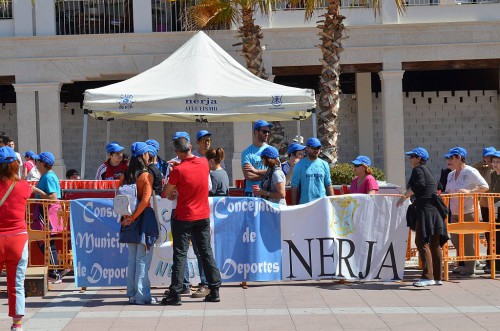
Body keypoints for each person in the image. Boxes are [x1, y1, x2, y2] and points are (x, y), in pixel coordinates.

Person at [161, 132, 221, 305]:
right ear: (191, 147)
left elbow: (166, 193)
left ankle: (176, 293)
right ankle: (214, 288)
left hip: (184, 216)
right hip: (202, 215)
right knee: (205, 252)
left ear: (177, 152)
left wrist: (174, 171)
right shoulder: (203, 163)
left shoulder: (178, 170)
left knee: (180, 254)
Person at [397, 147, 449, 287]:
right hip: (436, 210)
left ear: (418, 158)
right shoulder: (428, 170)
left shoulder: (418, 170)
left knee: (421, 241)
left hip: (426, 210)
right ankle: (438, 277)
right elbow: (438, 186)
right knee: (435, 244)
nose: (409, 159)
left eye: (412, 156)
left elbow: (420, 185)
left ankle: (427, 277)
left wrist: (404, 197)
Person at [119, 142, 159, 305]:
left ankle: (132, 293)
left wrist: (126, 218)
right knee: (142, 258)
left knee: (132, 258)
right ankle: (142, 296)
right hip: (142, 219)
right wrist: (134, 217)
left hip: (127, 220)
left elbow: (119, 199)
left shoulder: (125, 175)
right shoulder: (145, 176)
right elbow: (145, 200)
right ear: (144, 156)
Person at [0, 147, 35, 331]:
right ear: (15, 164)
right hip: (18, 239)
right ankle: (17, 324)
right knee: (16, 283)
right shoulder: (23, 186)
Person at [444, 146, 489, 276]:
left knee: (468, 241)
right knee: (456, 239)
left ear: (459, 158)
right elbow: (448, 190)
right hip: (455, 211)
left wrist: (470, 192)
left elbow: (484, 186)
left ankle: (470, 268)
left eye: (451, 158)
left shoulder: (470, 171)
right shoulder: (451, 174)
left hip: (469, 211)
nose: (448, 160)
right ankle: (470, 263)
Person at [30, 152, 68, 283]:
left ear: (44, 163)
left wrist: (37, 191)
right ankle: (56, 270)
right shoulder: (46, 176)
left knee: (46, 242)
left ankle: (55, 272)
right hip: (45, 212)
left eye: (38, 161)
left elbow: (52, 197)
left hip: (47, 212)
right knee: (46, 242)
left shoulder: (48, 177)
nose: (36, 163)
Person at [291, 137, 334, 205]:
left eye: (318, 147)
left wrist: (333, 204)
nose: (316, 150)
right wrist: (293, 206)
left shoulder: (324, 164)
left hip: (322, 204)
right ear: (307, 148)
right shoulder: (299, 165)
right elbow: (294, 187)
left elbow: (328, 185)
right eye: (314, 147)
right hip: (306, 205)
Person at [473, 146, 496, 271]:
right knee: (488, 234)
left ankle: (492, 261)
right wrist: (483, 162)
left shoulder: (495, 168)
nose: (489, 159)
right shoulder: (483, 168)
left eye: (491, 157)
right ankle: (488, 262)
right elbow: (472, 168)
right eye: (486, 156)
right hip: (485, 204)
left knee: (495, 234)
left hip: (495, 205)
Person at [241, 120, 273, 196]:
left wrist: (255, 171)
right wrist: (268, 175)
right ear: (256, 132)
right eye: (264, 132)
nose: (267, 134)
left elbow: (276, 171)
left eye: (268, 132)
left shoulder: (272, 151)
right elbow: (248, 176)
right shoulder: (246, 153)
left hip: (268, 192)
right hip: (252, 193)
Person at [485, 151, 500, 273]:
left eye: (498, 162)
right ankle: (494, 264)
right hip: (495, 207)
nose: (495, 164)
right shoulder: (493, 174)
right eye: (494, 161)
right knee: (495, 236)